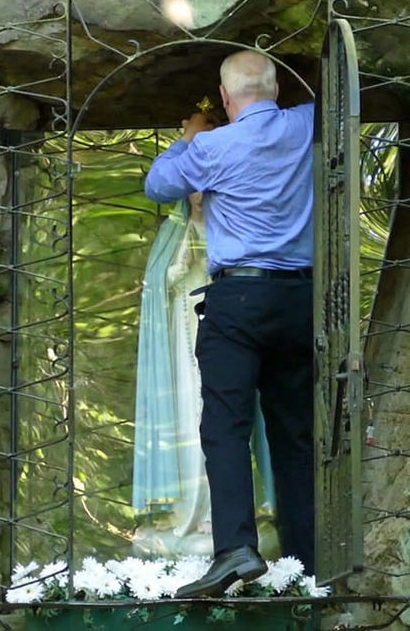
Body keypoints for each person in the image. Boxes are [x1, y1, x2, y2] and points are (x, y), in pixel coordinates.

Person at [145, 49, 315, 597]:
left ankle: (237, 548)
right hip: (300, 298)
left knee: (225, 425)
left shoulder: (212, 146)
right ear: (276, 90)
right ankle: (304, 561)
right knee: (295, 433)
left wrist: (191, 137)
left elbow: (158, 184)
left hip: (237, 299)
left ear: (223, 99)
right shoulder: (306, 124)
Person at [131, 193, 278, 557]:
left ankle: (226, 515)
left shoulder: (231, 226)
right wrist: (183, 261)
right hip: (182, 350)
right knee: (187, 427)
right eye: (192, 187)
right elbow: (159, 283)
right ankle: (186, 513)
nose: (199, 195)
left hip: (227, 340)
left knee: (228, 424)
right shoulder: (173, 230)